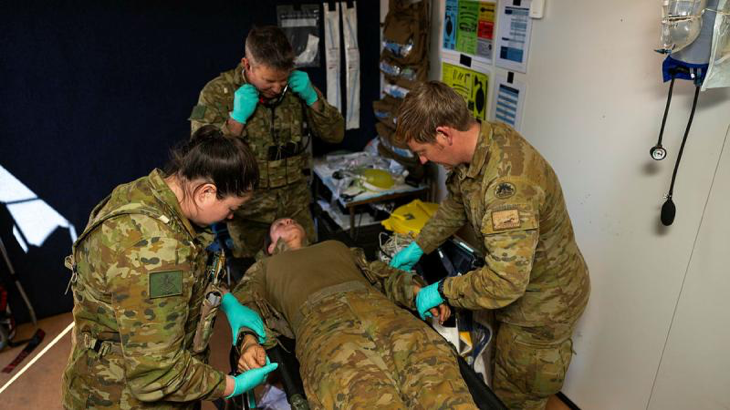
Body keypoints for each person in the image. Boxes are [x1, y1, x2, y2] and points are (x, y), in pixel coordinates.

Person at [388, 81, 591, 410]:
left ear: (444, 134)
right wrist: (420, 246)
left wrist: (442, 290)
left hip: (542, 307)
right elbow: (458, 203)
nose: (423, 161)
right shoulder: (481, 143)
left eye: (423, 151)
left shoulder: (507, 188)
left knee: (514, 397)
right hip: (523, 291)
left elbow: (506, 281)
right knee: (500, 376)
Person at [62, 126, 277, 409]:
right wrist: (230, 385)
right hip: (119, 399)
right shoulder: (158, 252)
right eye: (230, 208)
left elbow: (172, 285)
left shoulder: (146, 193)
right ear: (206, 192)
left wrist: (226, 300)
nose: (231, 216)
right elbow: (157, 375)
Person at [230, 218, 478, 409]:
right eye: (279, 224)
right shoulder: (264, 267)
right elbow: (244, 303)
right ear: (271, 247)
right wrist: (248, 340)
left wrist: (416, 290)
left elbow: (380, 274)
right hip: (324, 329)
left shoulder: (336, 247)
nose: (287, 221)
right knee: (363, 398)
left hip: (385, 314)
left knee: (441, 386)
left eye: (291, 220)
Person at [190, 25, 345, 259]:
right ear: (247, 65)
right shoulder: (216, 94)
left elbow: (335, 134)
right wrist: (235, 122)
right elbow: (200, 159)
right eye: (269, 80)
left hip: (295, 208)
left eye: (283, 80)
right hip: (249, 214)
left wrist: (313, 99)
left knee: (305, 273)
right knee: (257, 284)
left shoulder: (295, 87)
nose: (277, 88)